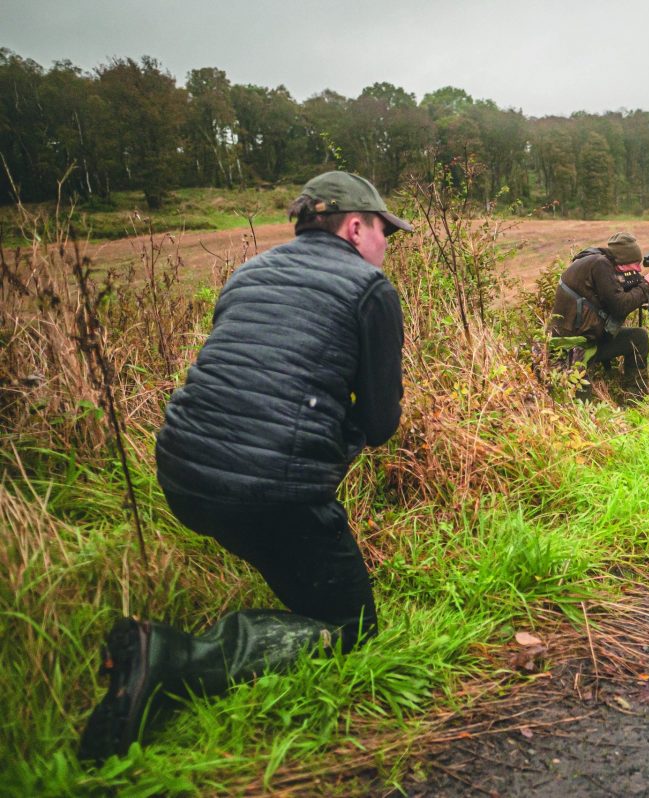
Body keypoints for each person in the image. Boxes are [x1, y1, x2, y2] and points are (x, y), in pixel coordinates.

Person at [78, 171, 411, 763]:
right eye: (386, 229)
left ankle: (210, 645)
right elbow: (383, 424)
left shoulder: (249, 272)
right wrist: (339, 438)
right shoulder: (370, 288)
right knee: (351, 628)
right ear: (356, 226)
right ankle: (173, 657)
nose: (388, 242)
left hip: (182, 473)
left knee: (300, 580)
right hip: (271, 489)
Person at [550, 232, 649, 391]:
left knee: (638, 337)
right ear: (622, 261)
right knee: (582, 407)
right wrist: (645, 285)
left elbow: (637, 295)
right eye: (636, 264)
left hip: (590, 341)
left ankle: (635, 399)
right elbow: (620, 306)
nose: (639, 268)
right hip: (571, 348)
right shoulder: (599, 265)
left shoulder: (605, 266)